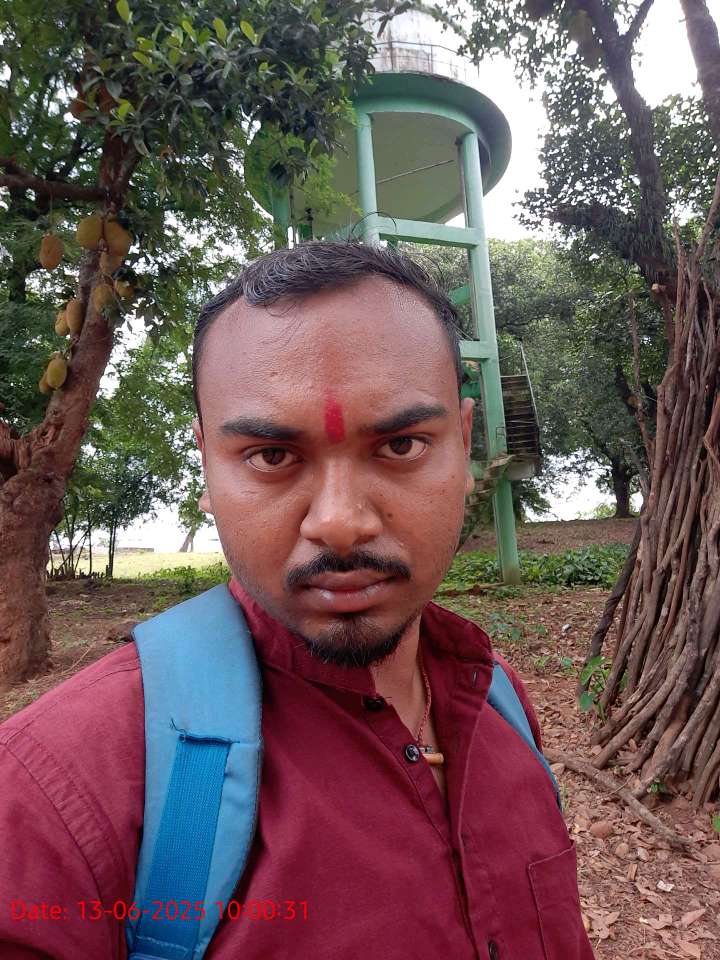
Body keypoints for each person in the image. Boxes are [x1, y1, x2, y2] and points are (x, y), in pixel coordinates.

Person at [0, 241, 595, 959]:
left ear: (463, 445)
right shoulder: (58, 791)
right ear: (207, 466)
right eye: (273, 456)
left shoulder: (500, 703)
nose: (340, 523)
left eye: (402, 445)